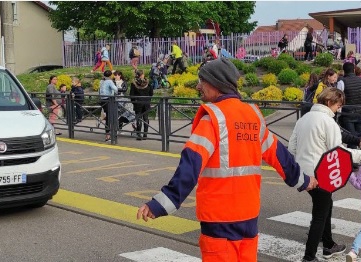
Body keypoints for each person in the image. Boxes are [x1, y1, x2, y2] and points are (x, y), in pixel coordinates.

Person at [136, 58, 318, 262]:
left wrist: (159, 205)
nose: (198, 86)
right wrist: (304, 180)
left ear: (216, 83)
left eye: (201, 81)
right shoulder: (253, 115)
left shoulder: (212, 119)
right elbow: (279, 155)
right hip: (248, 215)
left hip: (219, 217)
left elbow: (189, 167)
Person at [289, 87, 361, 261]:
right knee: (320, 215)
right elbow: (339, 153)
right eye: (338, 105)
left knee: (325, 205)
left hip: (305, 174)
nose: (339, 109)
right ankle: (309, 257)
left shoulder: (304, 118)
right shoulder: (328, 122)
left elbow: (292, 147)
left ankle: (329, 245)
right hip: (321, 173)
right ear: (330, 102)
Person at [337, 62, 361, 141]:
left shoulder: (341, 82)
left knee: (351, 139)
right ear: (354, 70)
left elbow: (338, 99)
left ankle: (352, 152)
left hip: (347, 113)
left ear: (344, 70)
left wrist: (339, 113)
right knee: (360, 139)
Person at [130, 70, 152, 140]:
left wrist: (134, 102)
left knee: (138, 118)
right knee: (146, 118)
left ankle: (139, 134)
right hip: (146, 103)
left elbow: (131, 95)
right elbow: (151, 93)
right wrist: (148, 100)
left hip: (138, 103)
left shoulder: (134, 84)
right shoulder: (147, 83)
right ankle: (145, 134)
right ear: (142, 75)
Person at [99, 70, 118, 141]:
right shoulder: (109, 81)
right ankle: (110, 134)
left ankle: (107, 133)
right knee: (110, 117)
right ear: (110, 75)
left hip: (102, 100)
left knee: (107, 116)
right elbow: (115, 89)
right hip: (109, 100)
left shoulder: (101, 81)